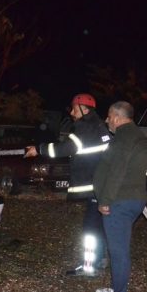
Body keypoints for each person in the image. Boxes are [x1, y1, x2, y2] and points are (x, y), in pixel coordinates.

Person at [24, 93, 111, 277]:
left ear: (85, 109)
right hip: (100, 186)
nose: (72, 112)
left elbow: (65, 149)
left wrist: (38, 149)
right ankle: (101, 259)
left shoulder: (85, 128)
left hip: (94, 186)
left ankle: (89, 266)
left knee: (90, 229)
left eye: (74, 108)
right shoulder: (99, 126)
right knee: (99, 226)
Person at [93, 101, 147, 292]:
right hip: (129, 200)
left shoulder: (125, 137)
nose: (107, 120)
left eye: (109, 116)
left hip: (119, 201)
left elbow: (117, 170)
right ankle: (118, 290)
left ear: (117, 116)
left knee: (118, 250)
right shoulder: (134, 135)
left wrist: (105, 200)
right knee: (119, 248)